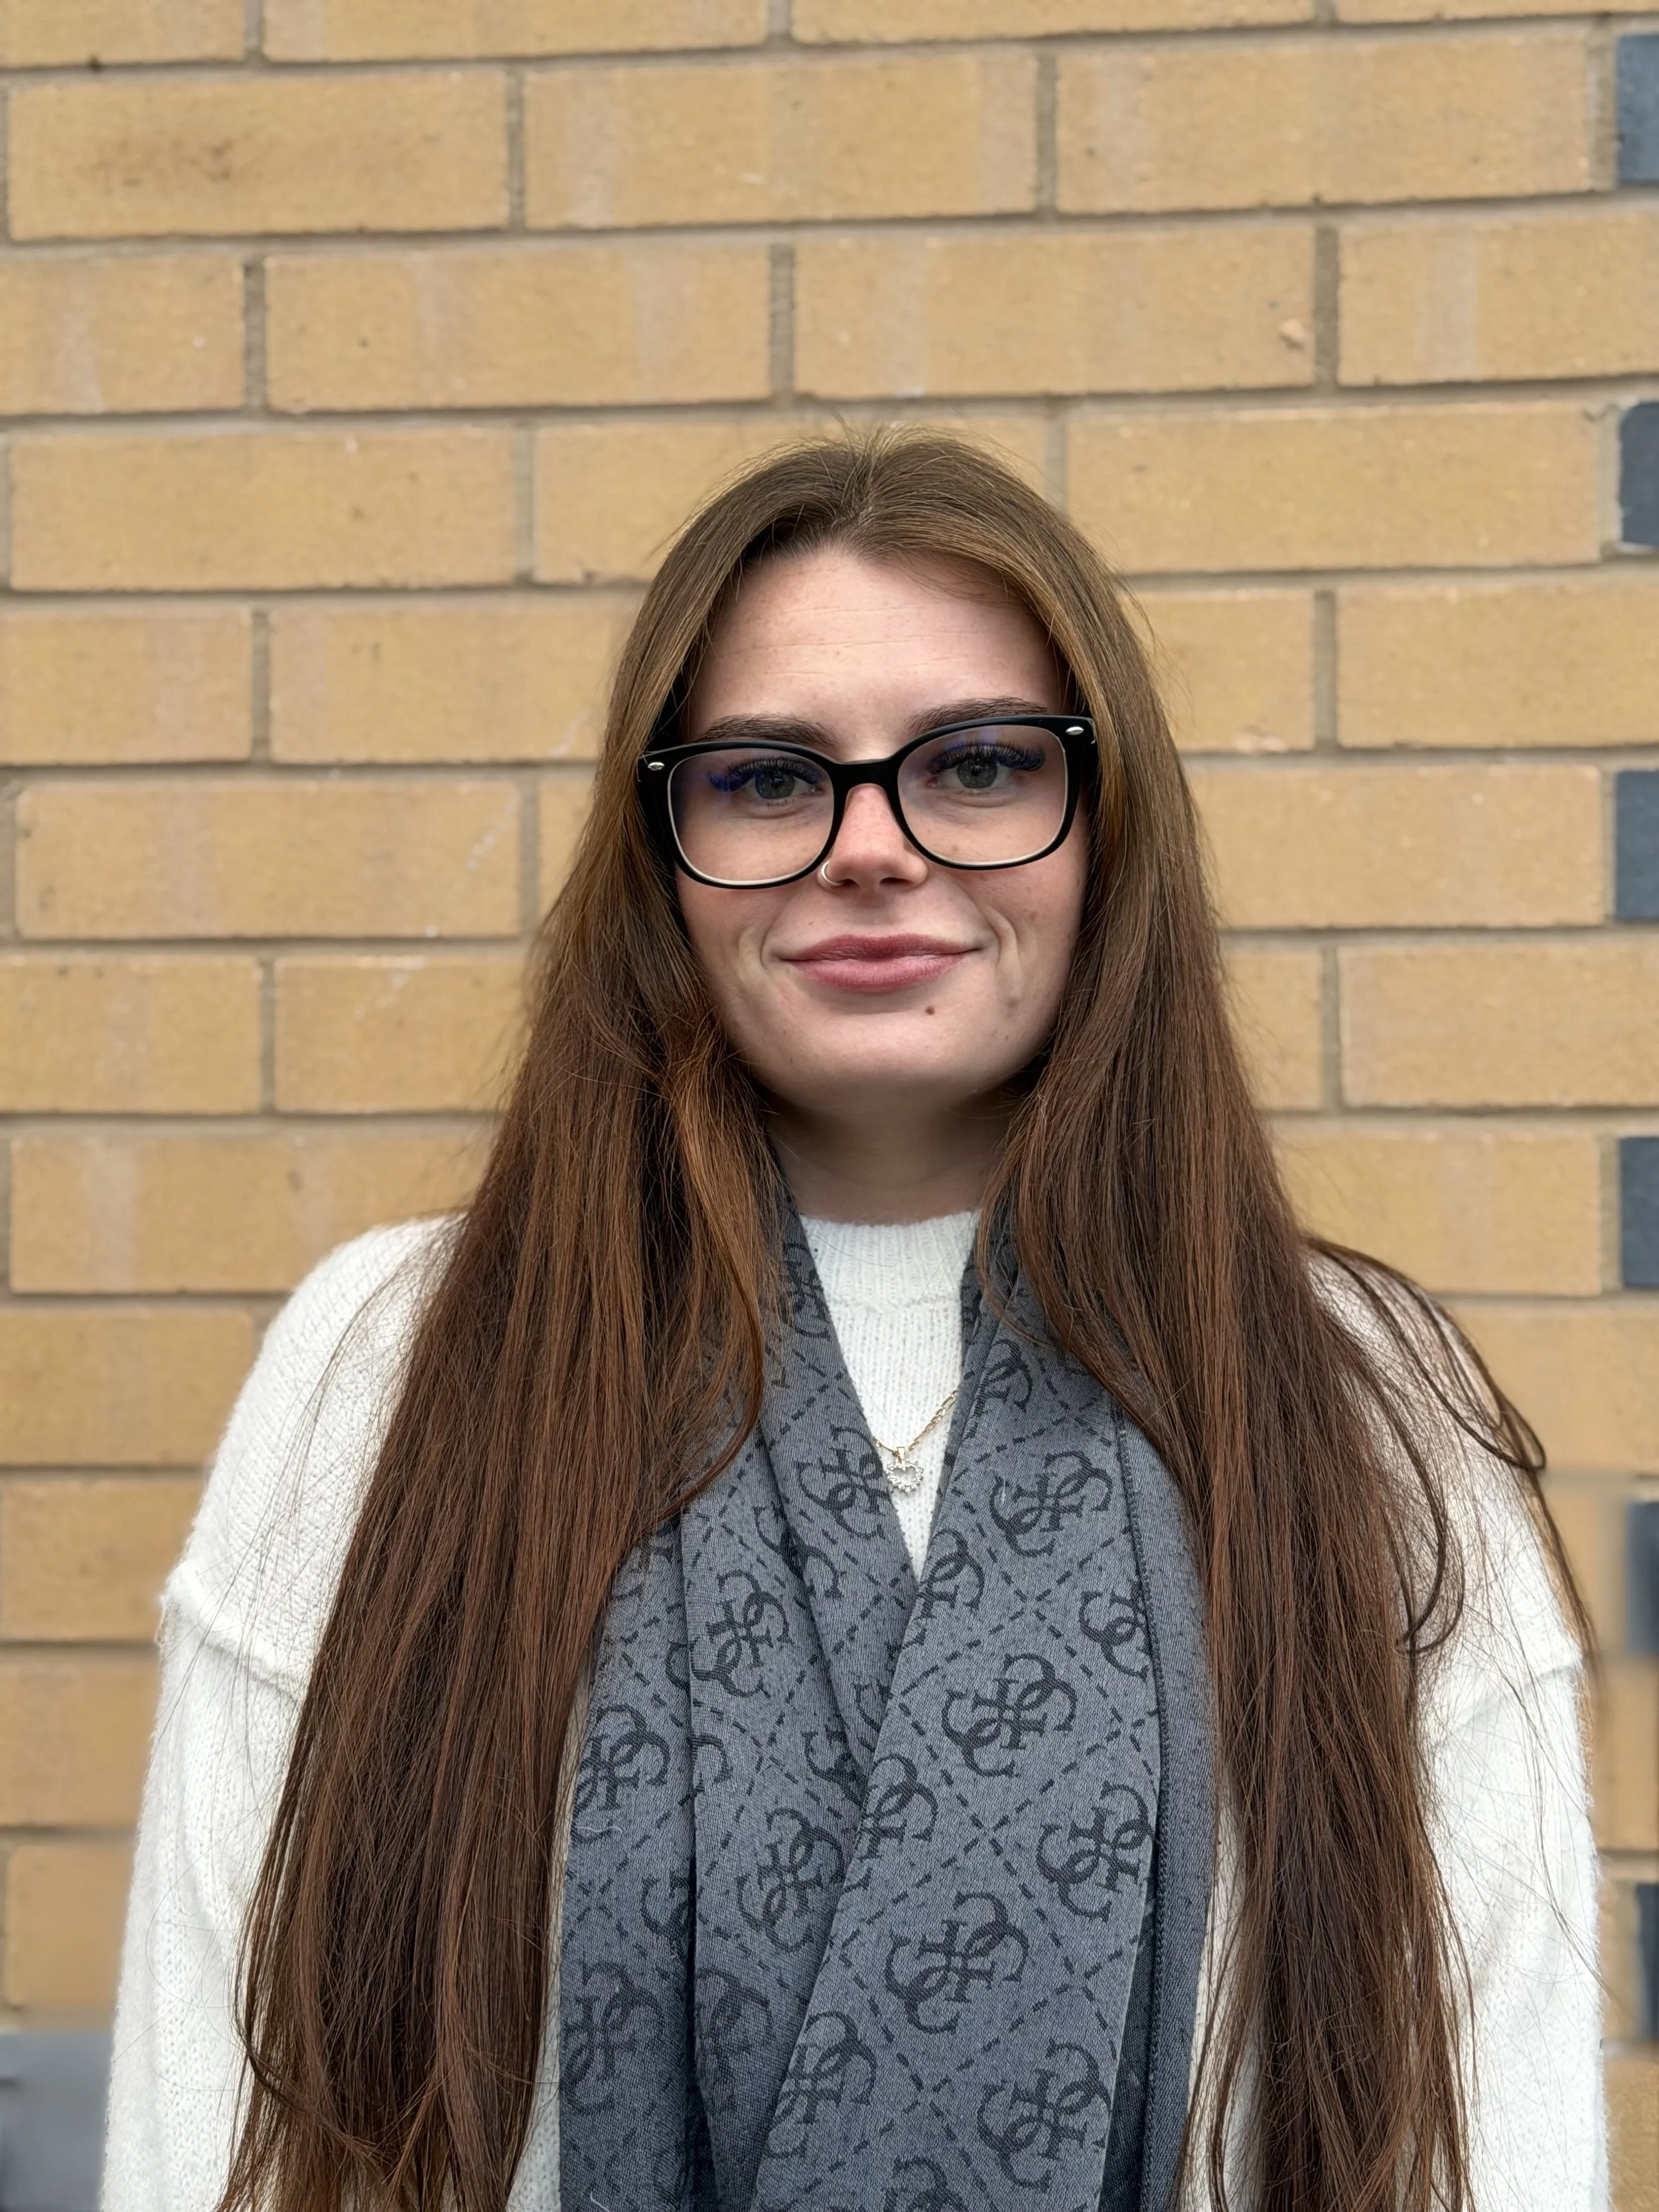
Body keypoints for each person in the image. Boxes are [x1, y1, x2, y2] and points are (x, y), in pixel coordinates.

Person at [104, 433, 1603, 2212]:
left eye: (975, 764)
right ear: (659, 846)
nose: (873, 848)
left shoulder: (1361, 1401)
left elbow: (1492, 2132)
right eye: (763, 778)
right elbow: (215, 2096)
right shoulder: (396, 1357)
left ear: (1103, 824)